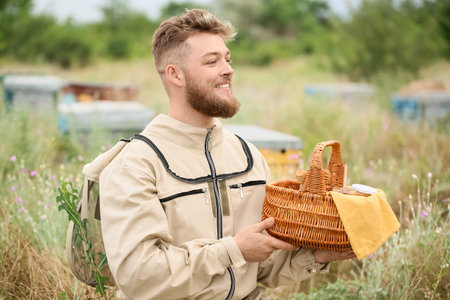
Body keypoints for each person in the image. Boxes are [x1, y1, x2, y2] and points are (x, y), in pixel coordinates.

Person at [99, 8, 355, 300]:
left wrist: (319, 255)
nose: (228, 69)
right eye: (212, 61)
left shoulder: (246, 155)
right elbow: (139, 277)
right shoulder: (135, 165)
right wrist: (231, 249)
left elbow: (259, 267)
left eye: (228, 59)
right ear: (175, 74)